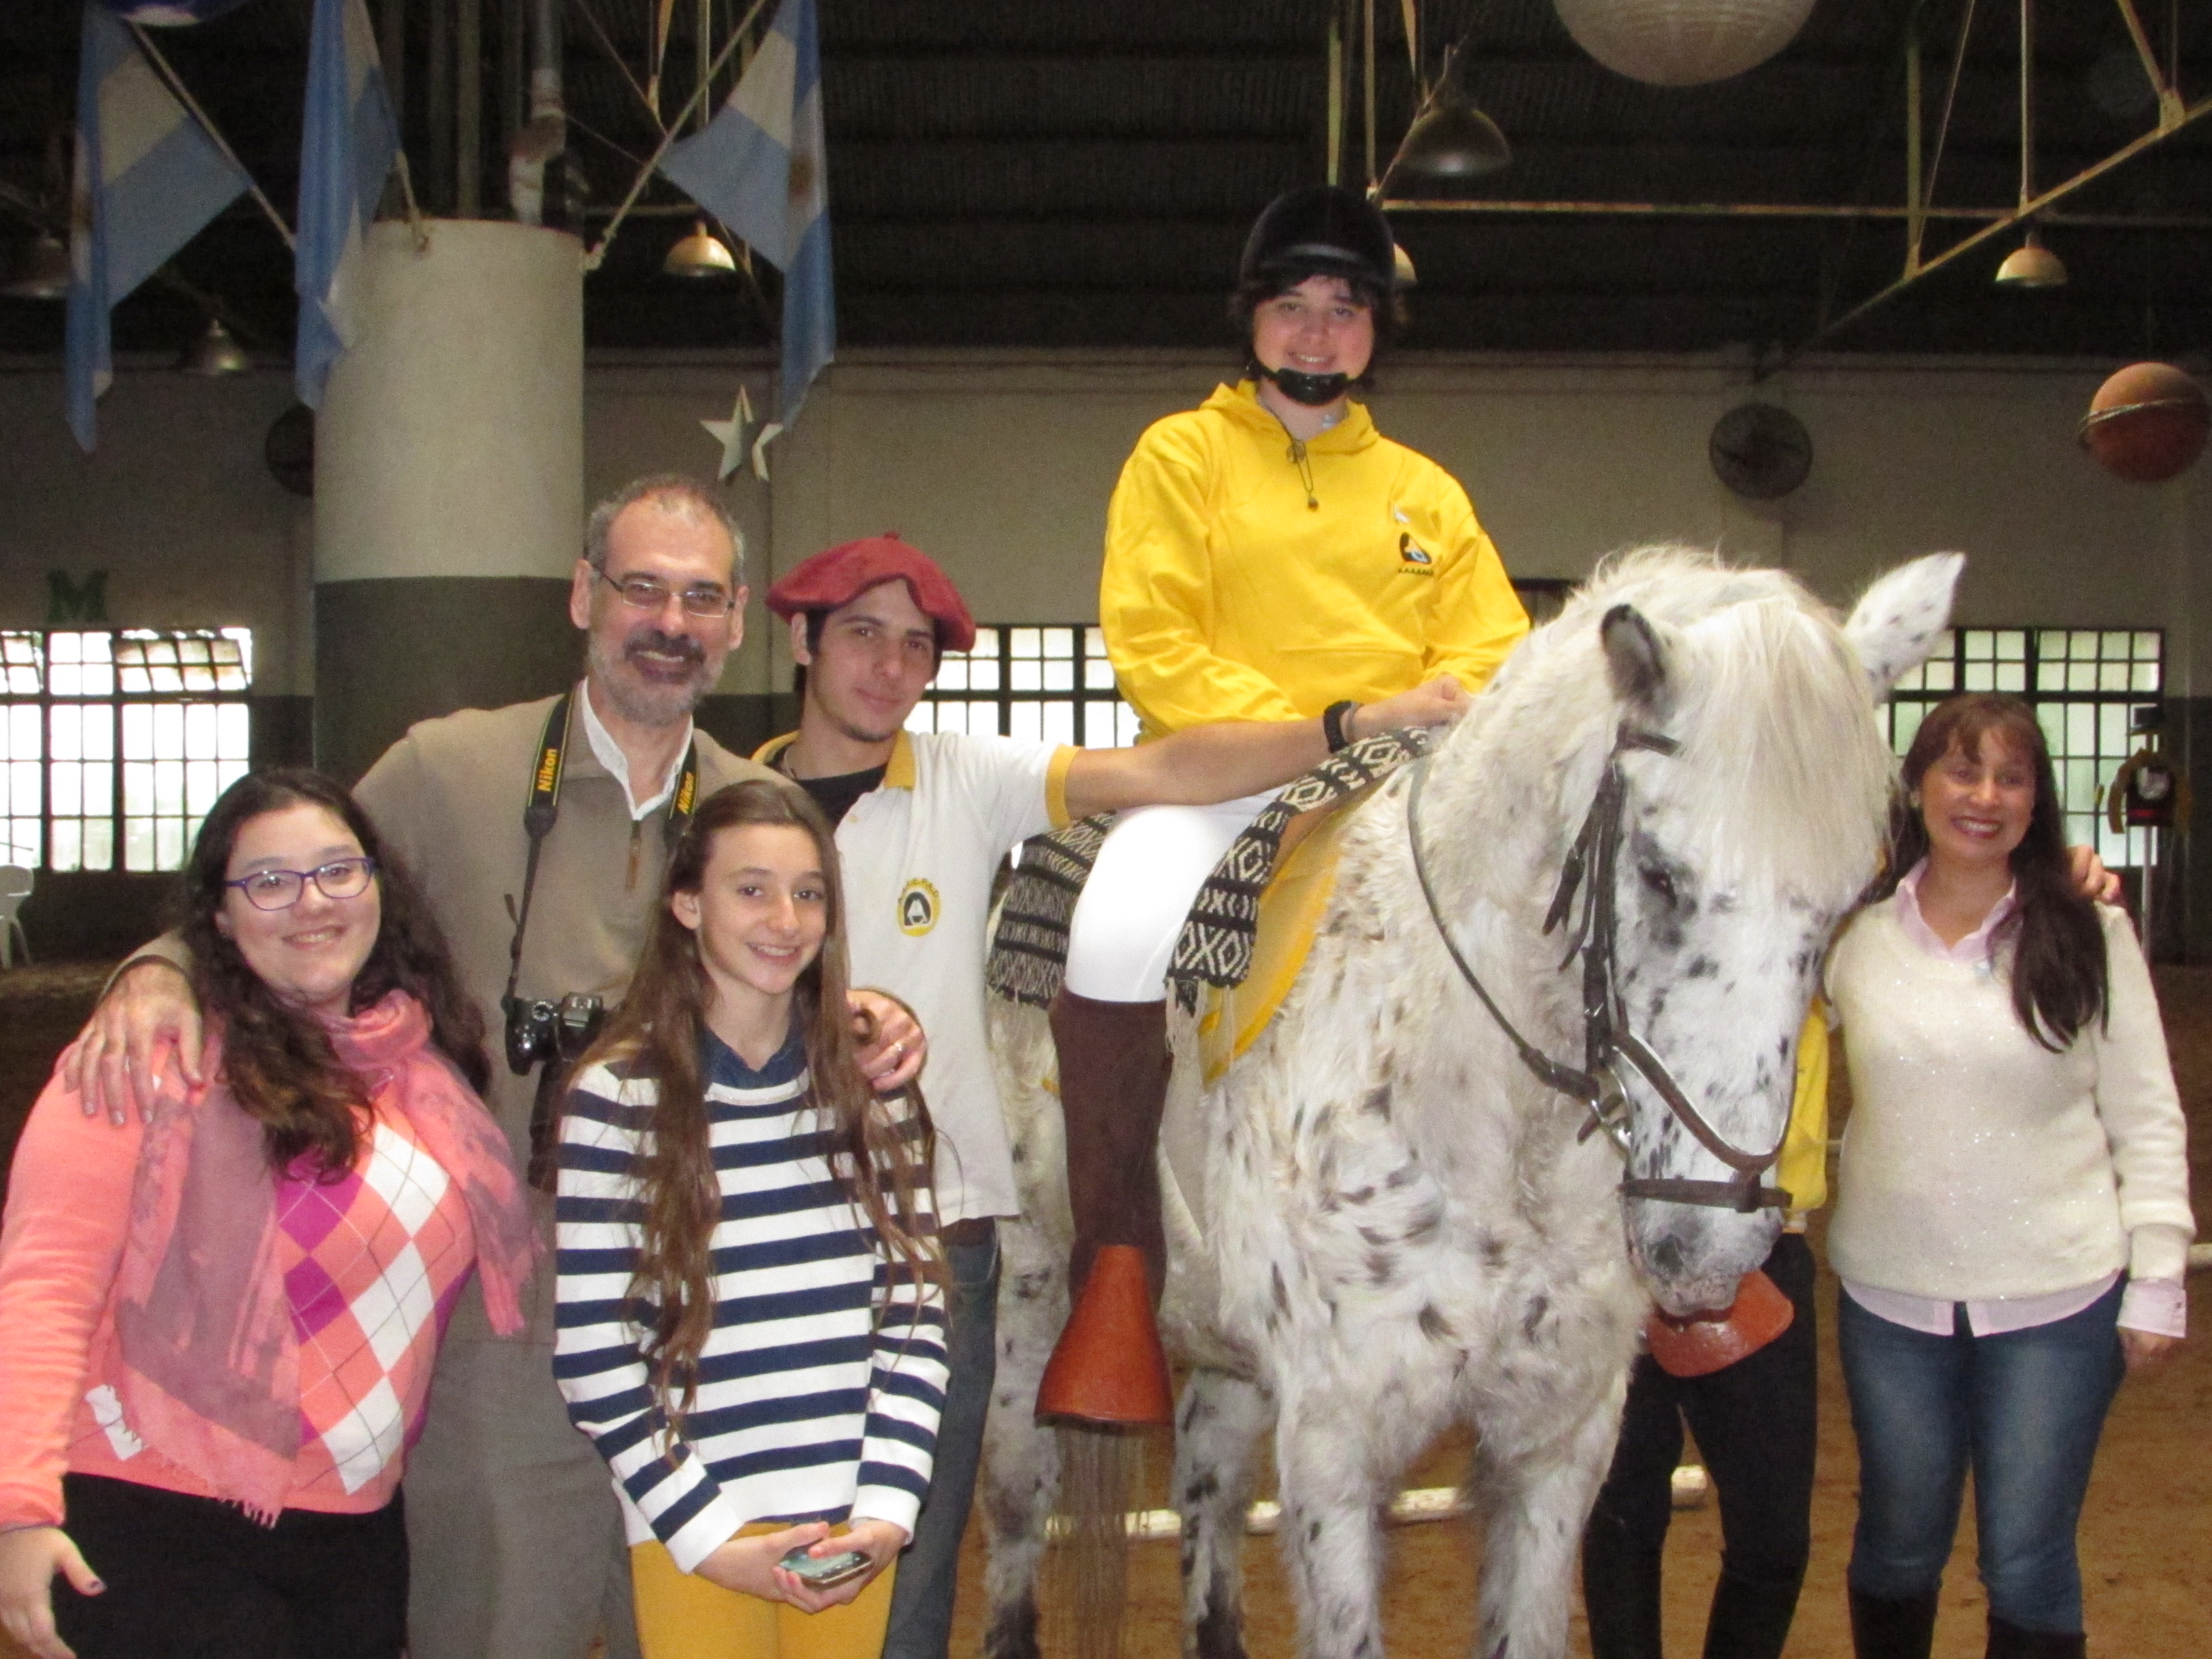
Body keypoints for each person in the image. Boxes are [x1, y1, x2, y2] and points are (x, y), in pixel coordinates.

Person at [59, 476, 924, 1659]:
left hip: (714, 1330)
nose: (669, 623)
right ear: (582, 596)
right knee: (500, 1621)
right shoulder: (448, 770)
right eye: (641, 588)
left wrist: (874, 1014)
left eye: (700, 598)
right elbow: (291, 888)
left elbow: (812, 997)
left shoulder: (756, 811)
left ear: (735, 622)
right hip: (503, 1321)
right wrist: (160, 971)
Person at [754, 533, 1467, 1659]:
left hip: (937, 1228)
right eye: (862, 636)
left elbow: (1166, 770)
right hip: (762, 1219)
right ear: (800, 640)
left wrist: (1350, 727)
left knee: (914, 1557)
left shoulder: (967, 779)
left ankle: (1120, 1263)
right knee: (753, 1537)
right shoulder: (723, 804)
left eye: (915, 647)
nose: (890, 668)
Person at [1042, 184, 1530, 1418]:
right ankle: (1117, 1263)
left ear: (1375, 331)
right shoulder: (1181, 456)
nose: (1317, 332)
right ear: (1251, 319)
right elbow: (1155, 637)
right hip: (1226, 776)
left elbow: (1492, 645)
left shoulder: (1424, 490)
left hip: (1404, 780)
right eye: (1293, 306)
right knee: (1112, 927)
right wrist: (1312, 733)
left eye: (1344, 309)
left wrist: (1425, 724)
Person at [0, 770, 536, 1659]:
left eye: (337, 870)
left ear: (378, 886)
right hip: (158, 1517)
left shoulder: (420, 1073)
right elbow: (43, 1286)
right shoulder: (148, 1060)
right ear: (217, 915)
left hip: (354, 1533)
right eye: (270, 881)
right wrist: (18, 1510)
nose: (311, 902)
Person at [1825, 693, 2191, 1659]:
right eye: (1961, 770)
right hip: (1891, 1305)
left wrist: (2159, 1277)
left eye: (2011, 777)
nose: (1984, 797)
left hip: (2058, 1307)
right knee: (1897, 1547)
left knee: (2027, 1560)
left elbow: (2147, 1115)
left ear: (2037, 802)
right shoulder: (1851, 938)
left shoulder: (2090, 932)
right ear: (1917, 785)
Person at [554, 780, 948, 1659]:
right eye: (751, 890)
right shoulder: (617, 1098)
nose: (785, 920)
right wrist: (705, 1537)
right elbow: (594, 1353)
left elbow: (915, 1316)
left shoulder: (873, 1090)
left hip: (849, 1529)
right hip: (698, 1534)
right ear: (688, 904)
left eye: (809, 893)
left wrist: (888, 1509)